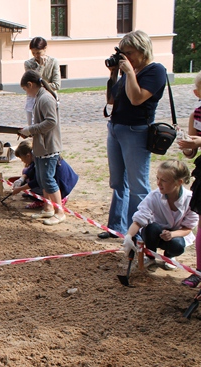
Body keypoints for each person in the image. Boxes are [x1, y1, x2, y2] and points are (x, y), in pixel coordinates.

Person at [99, 30, 167, 239]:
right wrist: (114, 74)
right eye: (123, 53)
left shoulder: (155, 71)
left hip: (136, 131)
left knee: (138, 185)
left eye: (129, 53)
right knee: (118, 182)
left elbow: (137, 99)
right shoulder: (129, 71)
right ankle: (116, 227)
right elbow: (111, 100)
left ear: (142, 50)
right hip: (116, 128)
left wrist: (129, 73)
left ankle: (138, 233)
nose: (125, 57)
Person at [122, 161, 198, 271]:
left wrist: (172, 234)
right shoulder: (154, 196)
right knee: (150, 228)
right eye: (157, 178)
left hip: (176, 235)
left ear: (179, 182)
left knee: (178, 245)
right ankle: (150, 256)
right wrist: (129, 236)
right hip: (155, 233)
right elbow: (139, 219)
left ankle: (169, 256)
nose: (158, 183)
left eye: (164, 180)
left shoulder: (190, 199)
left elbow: (188, 228)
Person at [19, 70, 65, 226]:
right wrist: (29, 131)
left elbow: (51, 122)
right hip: (41, 146)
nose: (26, 93)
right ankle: (48, 207)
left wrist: (30, 130)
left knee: (48, 179)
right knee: (42, 178)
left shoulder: (45, 98)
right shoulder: (40, 97)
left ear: (30, 84)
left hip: (48, 147)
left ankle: (60, 212)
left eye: (25, 89)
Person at [177, 71, 201, 287]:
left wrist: (199, 142)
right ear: (197, 93)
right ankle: (199, 271)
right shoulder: (196, 115)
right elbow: (191, 154)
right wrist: (186, 144)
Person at [11, 140, 78, 209]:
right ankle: (45, 198)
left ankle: (56, 199)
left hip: (63, 185)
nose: (22, 161)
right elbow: (29, 169)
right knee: (27, 176)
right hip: (67, 181)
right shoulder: (38, 156)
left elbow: (37, 181)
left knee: (34, 190)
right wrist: (22, 178)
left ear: (28, 156)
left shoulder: (41, 161)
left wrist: (20, 189)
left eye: (21, 158)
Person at [24, 37, 61, 125]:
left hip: (49, 98)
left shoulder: (53, 62)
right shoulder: (28, 64)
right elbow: (32, 83)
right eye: (33, 53)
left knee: (50, 125)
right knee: (33, 126)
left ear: (45, 49)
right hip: (33, 99)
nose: (36, 55)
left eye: (38, 53)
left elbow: (57, 85)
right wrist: (41, 66)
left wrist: (39, 87)